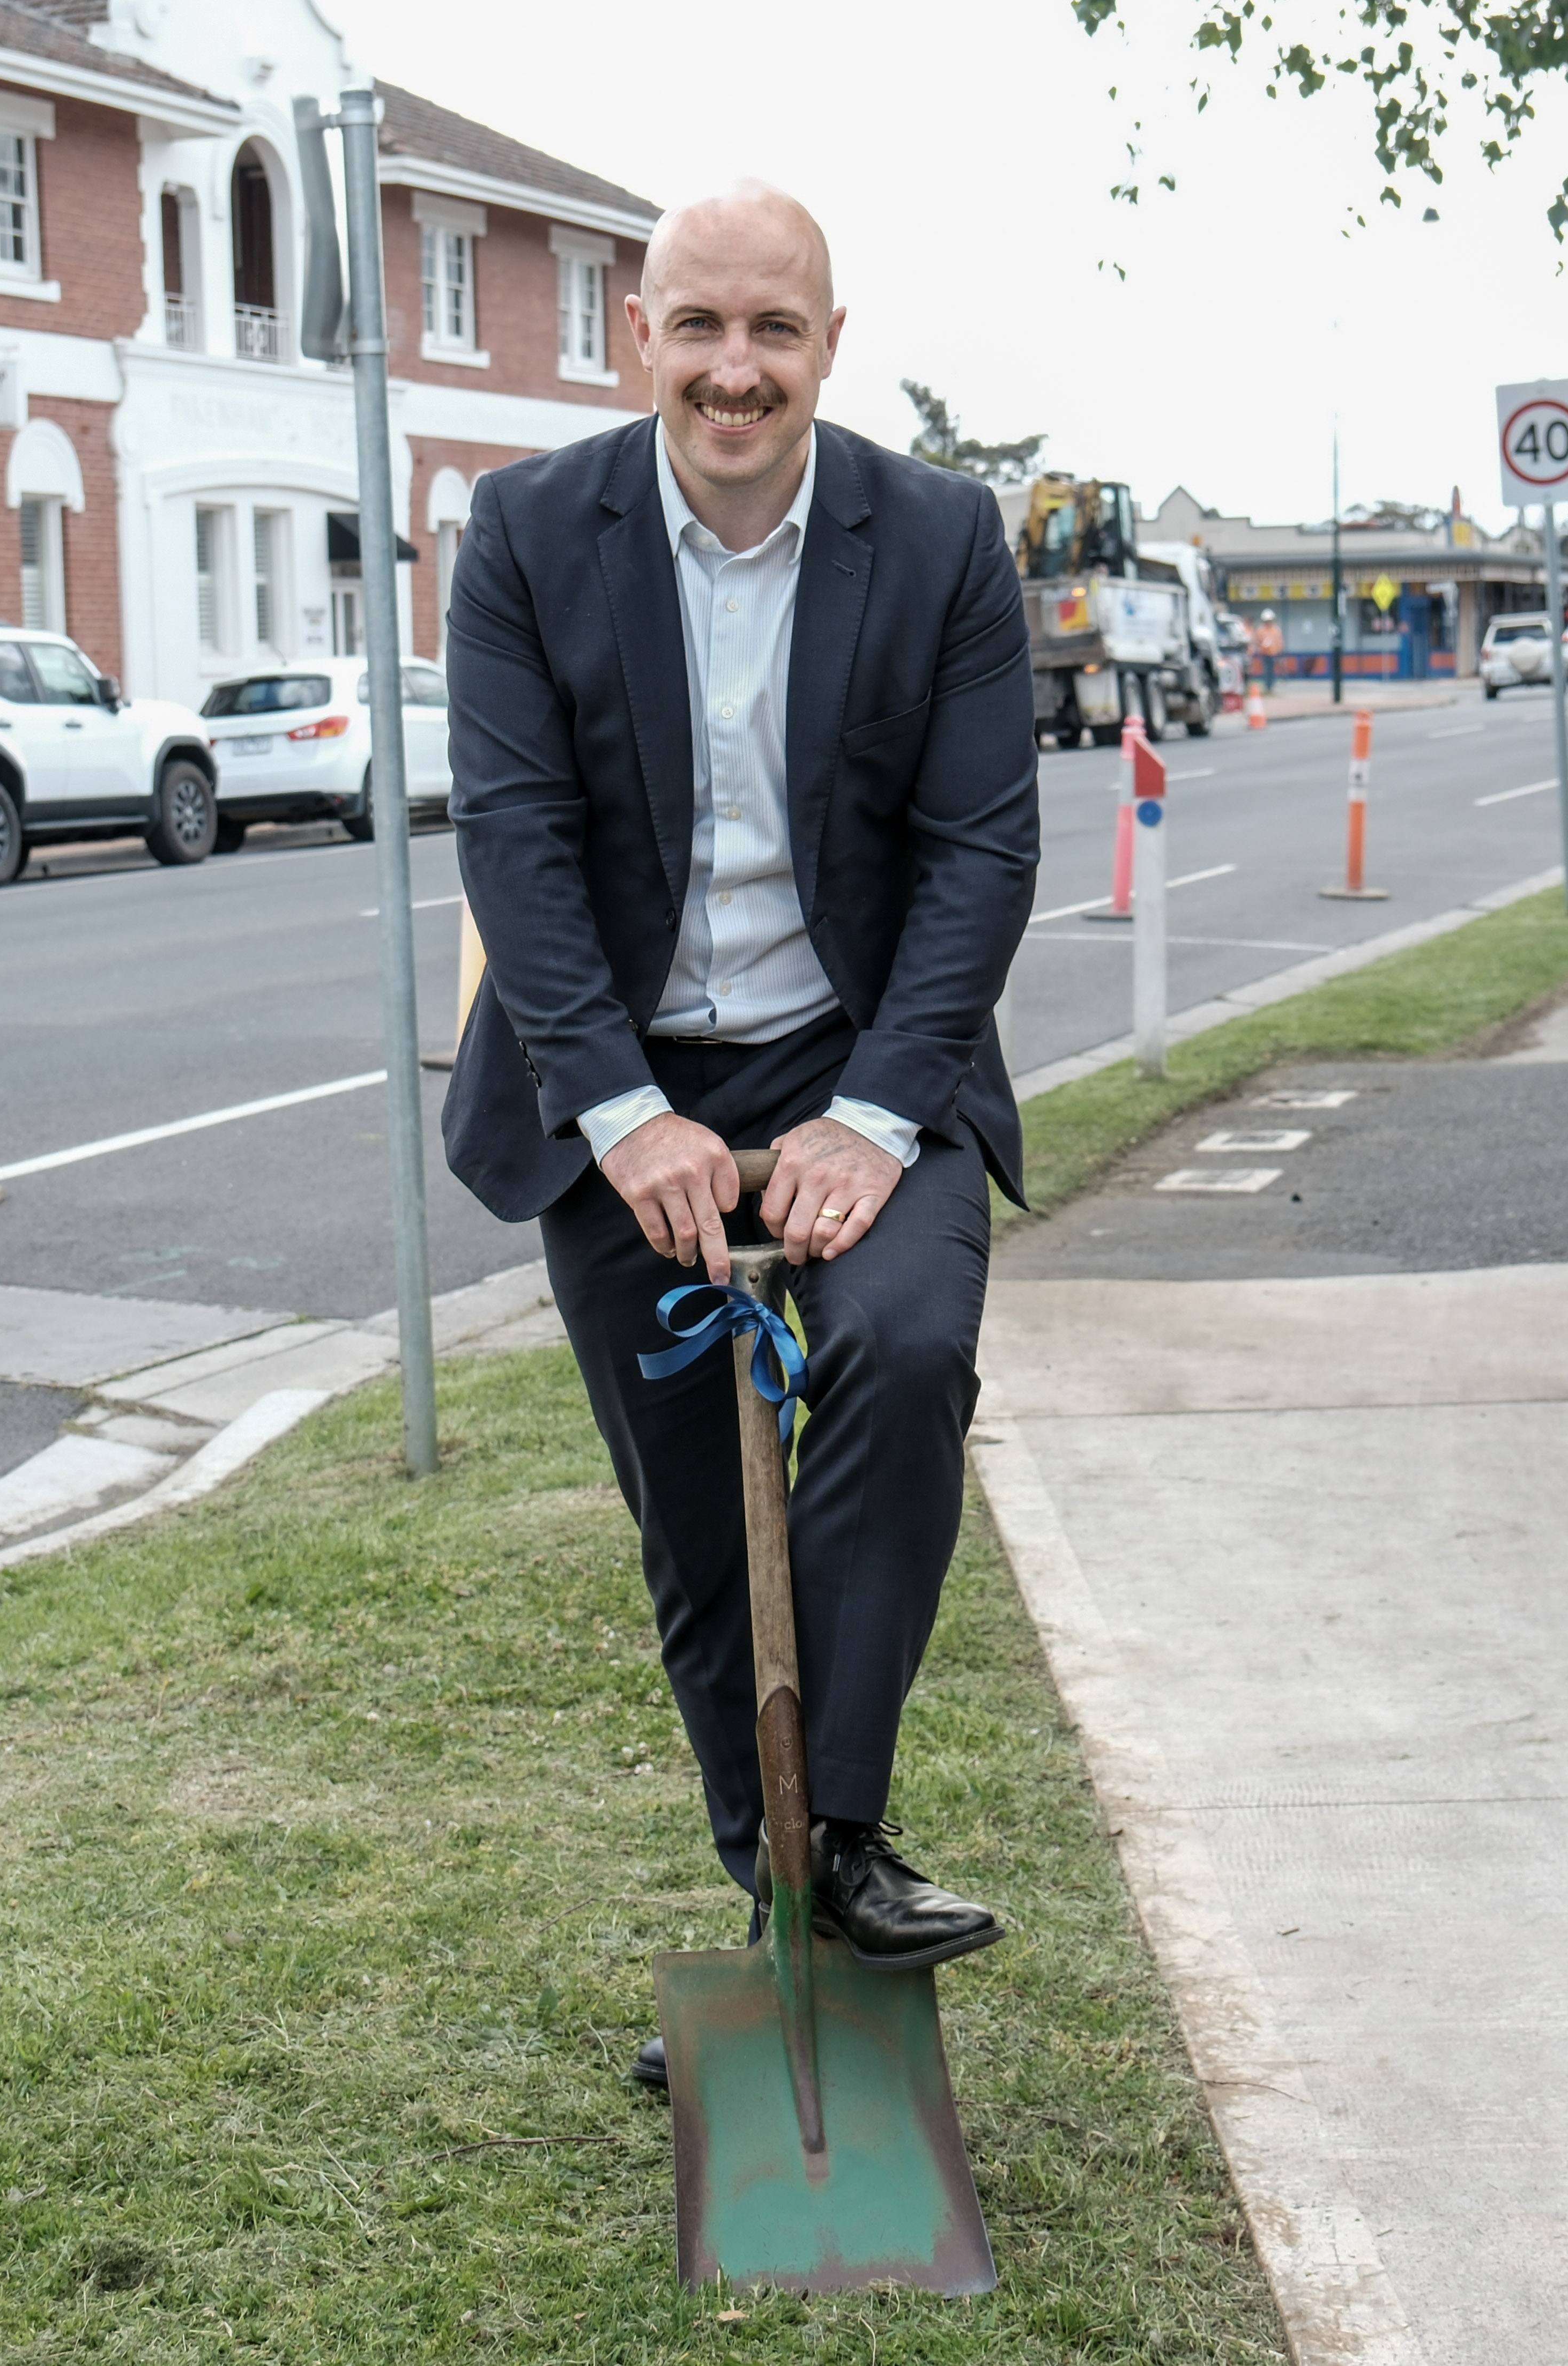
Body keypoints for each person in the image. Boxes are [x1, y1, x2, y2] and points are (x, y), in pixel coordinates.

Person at [436, 182, 1038, 2091]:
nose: (734, 370)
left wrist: (871, 1118)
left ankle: (838, 1837)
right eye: (700, 328)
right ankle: (788, 1902)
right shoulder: (530, 535)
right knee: (703, 1537)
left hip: (872, 1062)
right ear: (639, 334)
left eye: (774, 332)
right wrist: (626, 1120)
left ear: (831, 345)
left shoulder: (941, 539)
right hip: (624, 1081)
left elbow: (979, 855)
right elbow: (518, 847)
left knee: (903, 1348)